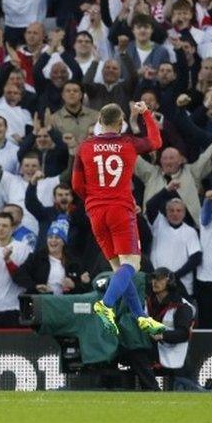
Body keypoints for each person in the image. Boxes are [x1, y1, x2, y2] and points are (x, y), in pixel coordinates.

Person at [71, 101, 165, 335]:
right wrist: (145, 114)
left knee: (120, 270)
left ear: (100, 122)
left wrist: (93, 200)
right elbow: (156, 142)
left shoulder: (84, 147)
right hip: (120, 210)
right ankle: (106, 305)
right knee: (133, 264)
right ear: (121, 123)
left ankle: (141, 317)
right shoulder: (127, 143)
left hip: (96, 212)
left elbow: (76, 185)